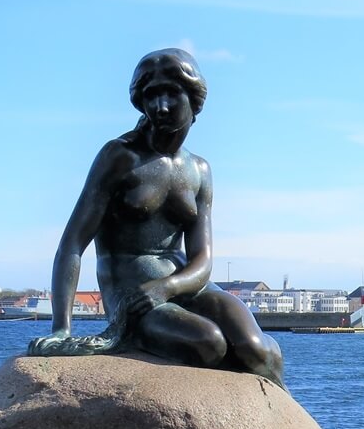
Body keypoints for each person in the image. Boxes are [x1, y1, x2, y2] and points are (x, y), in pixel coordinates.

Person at [29, 48, 284, 388]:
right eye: (151, 95)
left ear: (194, 99)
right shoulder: (120, 156)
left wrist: (166, 287)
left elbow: (203, 260)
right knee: (208, 343)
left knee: (257, 350)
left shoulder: (199, 170)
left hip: (183, 285)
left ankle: (273, 399)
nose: (160, 106)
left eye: (171, 93)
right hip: (132, 297)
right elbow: (72, 245)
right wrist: (62, 328)